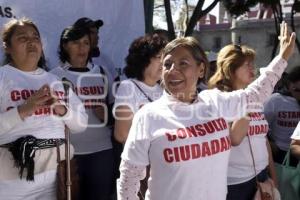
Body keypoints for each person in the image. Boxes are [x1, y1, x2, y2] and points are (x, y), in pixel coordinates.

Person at [117, 22, 295, 200]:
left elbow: (255, 95)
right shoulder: (148, 115)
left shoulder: (215, 101)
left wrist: (283, 58)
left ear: (201, 69)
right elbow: (129, 176)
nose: (173, 70)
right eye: (167, 64)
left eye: (183, 63)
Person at [0, 18, 88, 200]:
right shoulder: (2, 77)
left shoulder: (55, 81)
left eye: (35, 37)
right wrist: (23, 110)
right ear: (7, 47)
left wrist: (62, 109)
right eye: (22, 38)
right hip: (10, 183)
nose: (31, 42)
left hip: (55, 178)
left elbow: (81, 125)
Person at [50, 25, 114, 200]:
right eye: (76, 43)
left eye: (86, 43)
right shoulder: (54, 76)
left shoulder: (101, 72)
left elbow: (119, 113)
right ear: (65, 46)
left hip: (101, 151)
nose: (82, 48)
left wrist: (107, 114)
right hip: (68, 153)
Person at [208, 44, 277, 200]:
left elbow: (263, 139)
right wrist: (248, 102)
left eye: (252, 64)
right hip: (235, 183)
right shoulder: (219, 99)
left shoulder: (255, 99)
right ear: (231, 68)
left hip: (261, 176)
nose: (252, 68)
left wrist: (273, 176)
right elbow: (235, 138)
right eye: (247, 65)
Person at [113, 34, 167, 144]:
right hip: (141, 159)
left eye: (165, 58)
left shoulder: (164, 90)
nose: (163, 62)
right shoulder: (128, 87)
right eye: (158, 57)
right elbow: (122, 134)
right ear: (143, 59)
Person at [264, 65, 300, 166]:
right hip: (279, 152)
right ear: (290, 85)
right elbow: (260, 124)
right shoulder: (275, 100)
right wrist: (270, 144)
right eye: (297, 91)